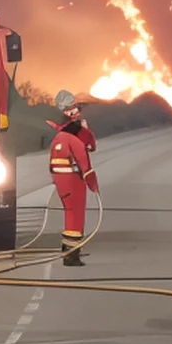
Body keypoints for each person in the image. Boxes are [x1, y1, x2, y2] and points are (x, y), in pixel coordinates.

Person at [48, 91, 99, 266]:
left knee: (70, 214)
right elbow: (85, 162)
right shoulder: (73, 140)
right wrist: (93, 185)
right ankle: (71, 255)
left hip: (62, 182)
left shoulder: (59, 139)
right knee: (76, 216)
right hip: (73, 182)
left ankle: (67, 250)